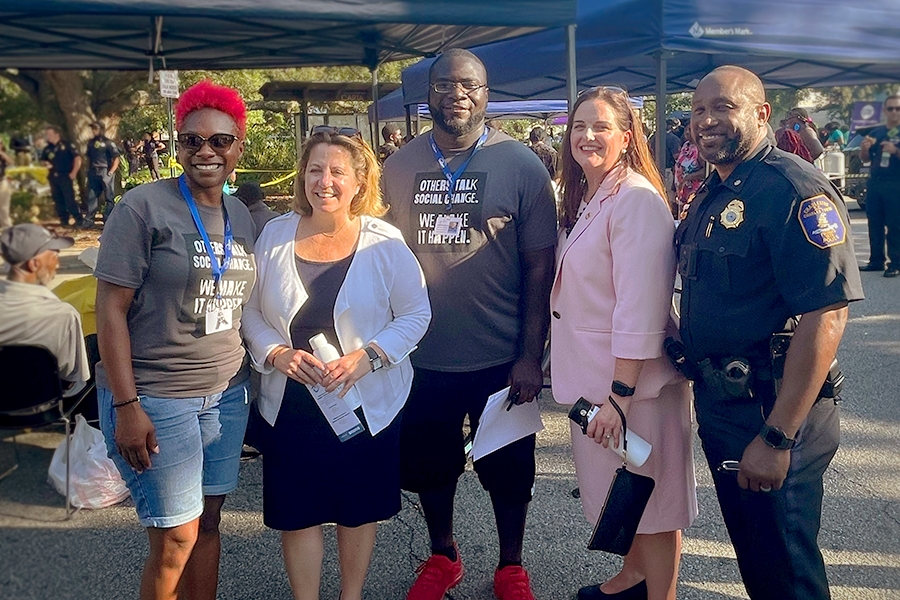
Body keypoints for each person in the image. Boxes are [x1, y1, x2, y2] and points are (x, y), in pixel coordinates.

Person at [678, 65, 864, 600]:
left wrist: (778, 436)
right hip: (726, 404)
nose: (708, 120)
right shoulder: (717, 188)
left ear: (760, 113)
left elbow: (826, 314)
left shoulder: (792, 189)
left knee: (785, 565)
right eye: (699, 110)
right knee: (759, 554)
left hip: (773, 408)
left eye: (724, 107)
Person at [382, 48, 557, 600]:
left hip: (500, 356)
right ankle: (443, 554)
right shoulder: (398, 166)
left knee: (509, 470)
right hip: (421, 353)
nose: (457, 94)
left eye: (470, 85)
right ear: (427, 93)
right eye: (444, 85)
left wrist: (531, 354)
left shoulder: (522, 166)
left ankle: (511, 564)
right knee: (431, 466)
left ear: (487, 93)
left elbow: (539, 266)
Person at [241, 128, 431, 600]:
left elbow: (416, 313)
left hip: (364, 399)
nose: (324, 181)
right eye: (315, 169)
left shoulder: (384, 241)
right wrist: (275, 352)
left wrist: (370, 357)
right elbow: (248, 310)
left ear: (360, 180)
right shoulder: (274, 235)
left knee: (356, 507)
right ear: (303, 176)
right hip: (292, 400)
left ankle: (351, 595)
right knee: (298, 511)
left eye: (337, 172)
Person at [94, 80, 257, 600]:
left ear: (239, 147)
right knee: (175, 537)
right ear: (176, 143)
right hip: (158, 396)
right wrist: (126, 405)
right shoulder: (142, 207)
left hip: (226, 393)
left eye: (220, 141)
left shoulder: (242, 216)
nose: (205, 151)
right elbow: (109, 310)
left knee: (208, 524)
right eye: (192, 140)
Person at [552, 86, 696, 600]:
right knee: (622, 494)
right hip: (600, 383)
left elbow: (641, 309)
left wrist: (619, 396)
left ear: (627, 135)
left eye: (601, 127)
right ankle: (634, 577)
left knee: (651, 502)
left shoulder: (635, 198)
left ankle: (661, 594)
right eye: (578, 127)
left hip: (634, 389)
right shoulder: (595, 193)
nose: (587, 136)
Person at [0, 224, 90, 392]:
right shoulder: (64, 315)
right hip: (40, 414)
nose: (57, 265)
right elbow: (71, 380)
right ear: (33, 264)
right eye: (54, 256)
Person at [858, 93, 900, 278]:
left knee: (894, 224)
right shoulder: (877, 132)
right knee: (874, 222)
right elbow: (865, 159)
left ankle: (896, 263)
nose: (894, 112)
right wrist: (864, 149)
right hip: (876, 182)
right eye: (890, 108)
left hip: (895, 183)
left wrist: (895, 151)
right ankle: (876, 260)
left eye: (897, 109)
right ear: (885, 111)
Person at [40, 125, 85, 228]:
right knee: (58, 199)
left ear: (57, 134)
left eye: (50, 134)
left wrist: (73, 173)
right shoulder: (48, 148)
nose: (48, 136)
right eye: (47, 135)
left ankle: (78, 219)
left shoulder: (67, 145)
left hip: (65, 175)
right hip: (53, 177)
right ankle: (64, 220)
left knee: (69, 198)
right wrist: (45, 164)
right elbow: (43, 160)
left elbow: (77, 159)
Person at [84, 121, 120, 225]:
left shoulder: (109, 143)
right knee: (92, 196)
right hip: (93, 171)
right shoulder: (90, 143)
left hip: (105, 171)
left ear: (101, 130)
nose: (94, 131)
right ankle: (89, 219)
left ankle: (108, 218)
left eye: (96, 129)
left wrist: (111, 171)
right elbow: (88, 158)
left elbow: (116, 157)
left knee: (109, 196)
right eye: (93, 129)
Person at [673, 122, 706, 215]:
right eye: (686, 129)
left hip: (694, 193)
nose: (687, 132)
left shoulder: (700, 148)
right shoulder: (686, 145)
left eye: (690, 129)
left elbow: (707, 171)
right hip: (682, 191)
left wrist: (687, 178)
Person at [0, 140, 12, 231]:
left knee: (4, 208)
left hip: (2, 181)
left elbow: (12, 162)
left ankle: (7, 229)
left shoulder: (3, 155)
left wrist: (2, 153)